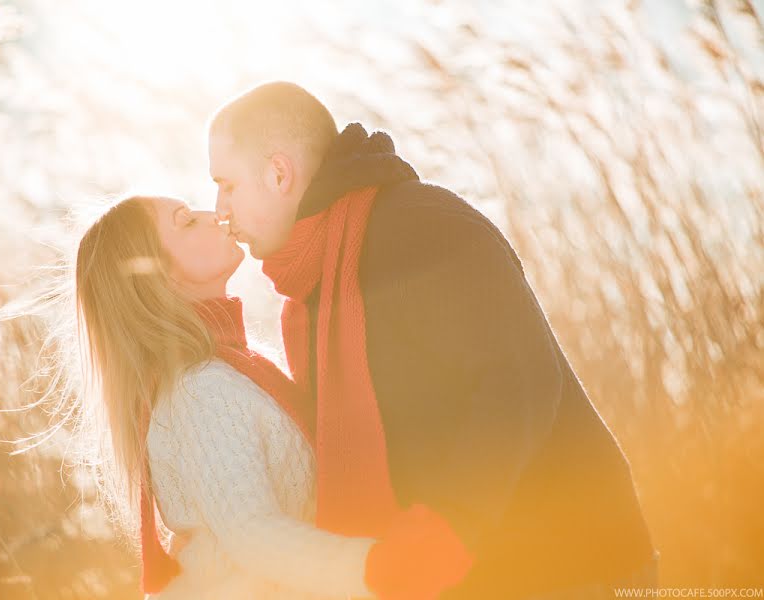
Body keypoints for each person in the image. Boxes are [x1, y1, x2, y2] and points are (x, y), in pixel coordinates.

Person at [209, 82, 659, 599]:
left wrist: (443, 534)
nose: (219, 209)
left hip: (570, 564)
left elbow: (519, 381)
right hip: (472, 578)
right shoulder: (310, 292)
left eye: (227, 184)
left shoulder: (418, 225)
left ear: (278, 172)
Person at [65, 195, 469, 600]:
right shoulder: (201, 391)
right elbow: (252, 534)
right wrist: (381, 566)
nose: (216, 214)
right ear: (160, 277)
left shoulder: (236, 368)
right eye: (186, 221)